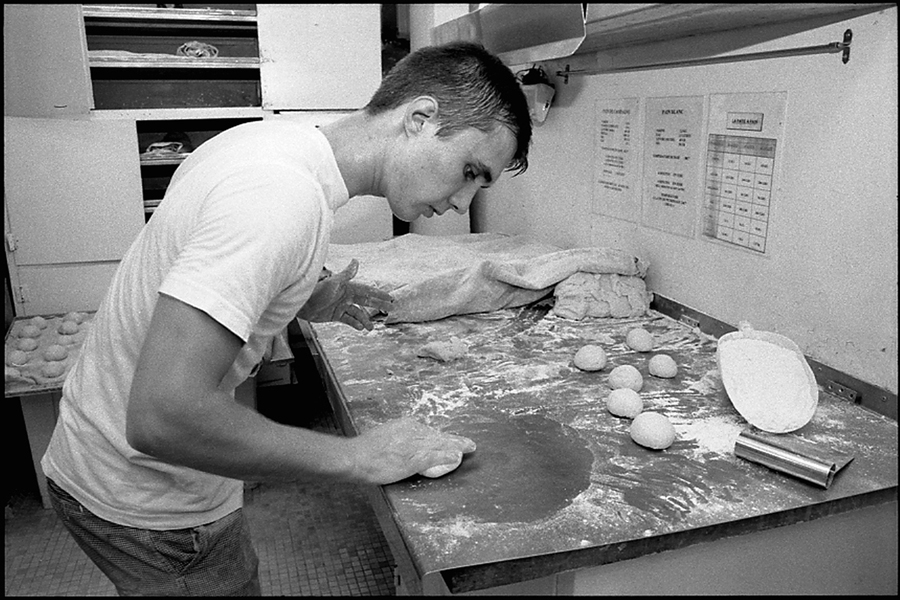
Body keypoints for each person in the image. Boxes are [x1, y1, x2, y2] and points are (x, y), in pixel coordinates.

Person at [40, 41, 532, 596]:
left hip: (93, 448)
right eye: (469, 170)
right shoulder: (281, 198)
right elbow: (163, 416)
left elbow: (194, 260)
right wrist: (361, 456)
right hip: (147, 503)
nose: (463, 202)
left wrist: (304, 296)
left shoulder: (270, 142)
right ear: (419, 118)